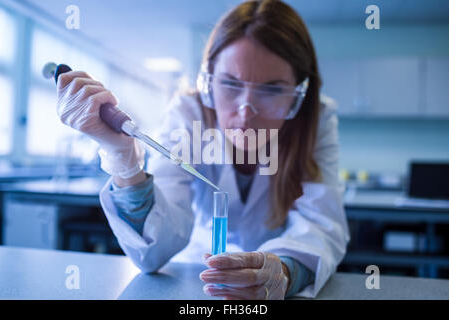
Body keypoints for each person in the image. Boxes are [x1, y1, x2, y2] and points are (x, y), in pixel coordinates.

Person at [56, 0, 350, 300]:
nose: (246, 113)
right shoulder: (188, 113)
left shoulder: (316, 119)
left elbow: (321, 226)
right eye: (231, 84)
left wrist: (286, 271)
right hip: (197, 276)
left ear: (299, 95)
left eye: (272, 89)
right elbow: (153, 251)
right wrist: (122, 158)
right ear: (209, 82)